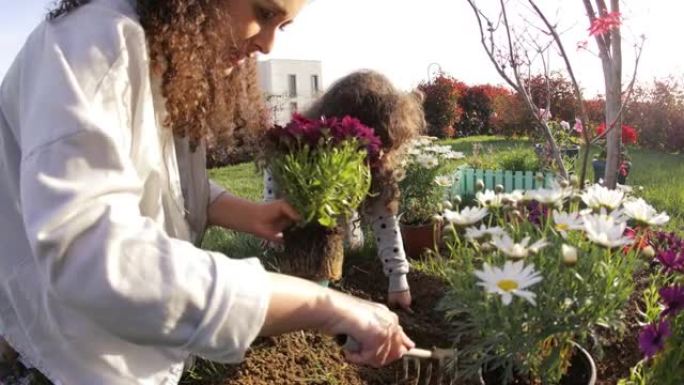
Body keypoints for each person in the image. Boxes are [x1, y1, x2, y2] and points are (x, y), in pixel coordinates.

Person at [0, 0, 415, 384]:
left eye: (283, 26)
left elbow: (158, 176)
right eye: (264, 12)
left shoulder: (164, 50)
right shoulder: (93, 45)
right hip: (54, 358)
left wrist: (245, 214)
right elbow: (95, 258)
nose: (268, 44)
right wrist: (324, 307)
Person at [262, 70, 426, 311]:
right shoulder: (302, 147)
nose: (376, 155)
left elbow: (385, 219)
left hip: (346, 239)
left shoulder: (376, 165)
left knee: (347, 248)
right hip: (294, 236)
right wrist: (271, 228)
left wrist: (398, 280)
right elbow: (274, 183)